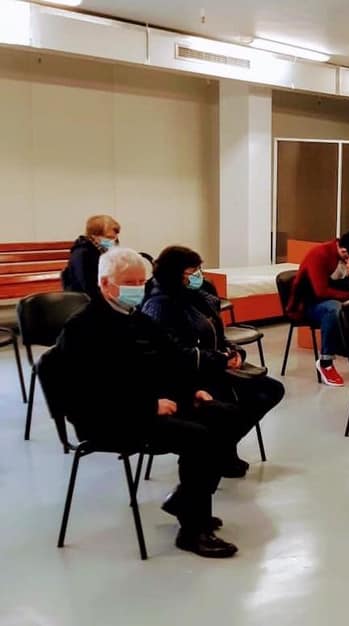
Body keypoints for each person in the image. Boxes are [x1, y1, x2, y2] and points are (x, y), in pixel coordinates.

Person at [56, 247, 247, 558]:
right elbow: (87, 395)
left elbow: (171, 360)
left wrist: (190, 392)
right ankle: (192, 530)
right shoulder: (82, 328)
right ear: (105, 283)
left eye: (140, 282)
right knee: (199, 437)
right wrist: (148, 406)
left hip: (145, 404)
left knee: (226, 416)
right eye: (129, 282)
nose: (137, 289)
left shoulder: (137, 319)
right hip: (109, 418)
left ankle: (187, 502)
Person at [141, 246, 285, 477]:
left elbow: (218, 335)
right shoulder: (159, 305)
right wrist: (220, 360)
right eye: (193, 271)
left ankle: (222, 446)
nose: (200, 275)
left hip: (213, 366)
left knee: (271, 390)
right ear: (175, 274)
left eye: (200, 269)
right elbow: (175, 355)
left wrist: (235, 353)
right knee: (228, 406)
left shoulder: (197, 297)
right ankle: (219, 450)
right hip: (188, 376)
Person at [287, 230, 349, 387]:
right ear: (344, 250)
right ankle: (326, 362)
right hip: (310, 304)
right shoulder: (319, 254)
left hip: (338, 299)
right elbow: (321, 292)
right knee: (334, 308)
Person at [61, 214, 121, 298]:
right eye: (109, 237)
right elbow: (88, 289)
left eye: (115, 238)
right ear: (94, 235)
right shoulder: (82, 254)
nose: (113, 241)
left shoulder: (103, 251)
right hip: (84, 301)